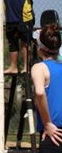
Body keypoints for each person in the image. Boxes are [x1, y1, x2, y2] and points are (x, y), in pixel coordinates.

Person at [31, 24, 62, 152]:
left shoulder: (39, 68)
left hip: (53, 133)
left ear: (39, 47)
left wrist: (47, 123)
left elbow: (39, 93)